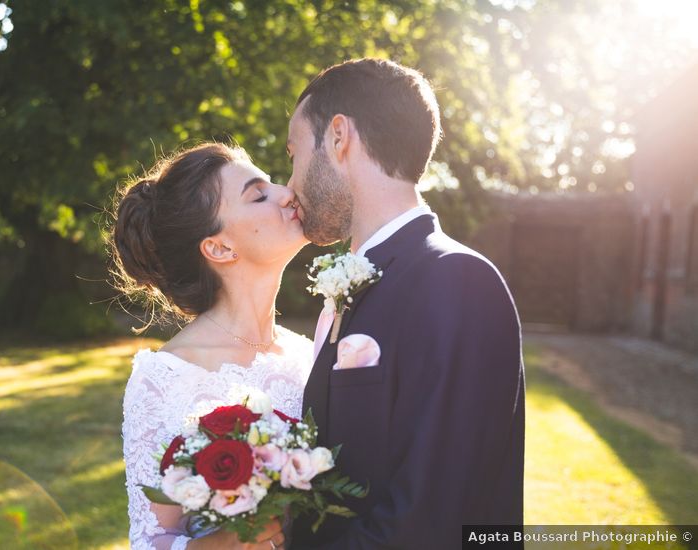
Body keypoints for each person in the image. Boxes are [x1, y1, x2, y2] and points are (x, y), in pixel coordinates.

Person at [285, 58, 525, 549]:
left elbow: (431, 520)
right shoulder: (362, 283)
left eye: (293, 154)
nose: (291, 183)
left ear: (338, 137)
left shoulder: (457, 280)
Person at [112, 142, 310, 549]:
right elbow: (151, 539)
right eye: (259, 195)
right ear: (219, 248)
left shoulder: (311, 356)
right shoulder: (163, 379)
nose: (286, 192)